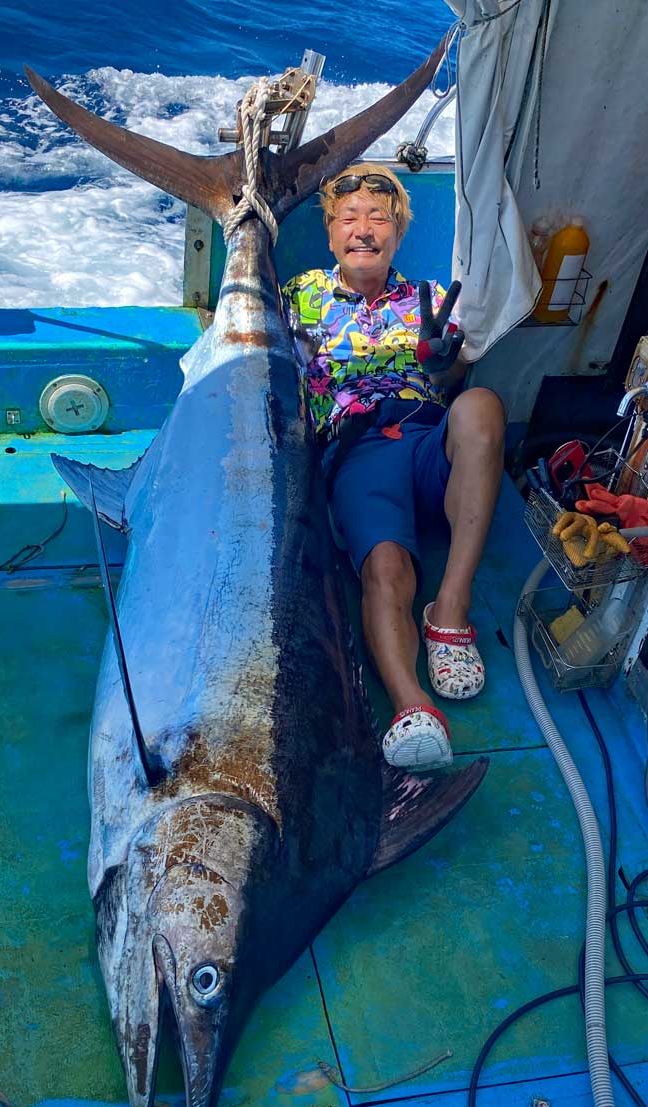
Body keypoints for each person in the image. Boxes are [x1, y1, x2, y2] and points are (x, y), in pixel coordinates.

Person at [282, 162, 505, 772]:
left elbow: (454, 382)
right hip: (358, 450)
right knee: (386, 566)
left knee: (482, 407)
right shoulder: (298, 296)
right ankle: (412, 707)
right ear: (330, 234)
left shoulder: (430, 298)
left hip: (429, 438)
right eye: (348, 218)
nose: (363, 229)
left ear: (397, 235)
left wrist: (441, 365)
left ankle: (450, 612)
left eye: (378, 218)